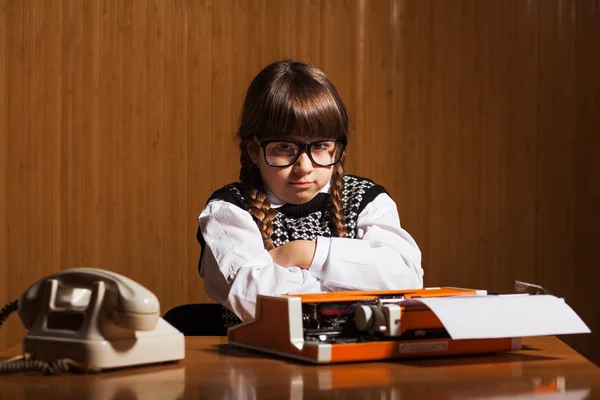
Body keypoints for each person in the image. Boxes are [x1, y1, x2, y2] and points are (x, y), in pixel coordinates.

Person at [197, 59, 423, 325]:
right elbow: (257, 300)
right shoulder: (227, 211)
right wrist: (360, 288)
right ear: (254, 150)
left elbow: (406, 278)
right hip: (257, 364)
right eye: (283, 147)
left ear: (337, 148)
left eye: (320, 146)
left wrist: (305, 253)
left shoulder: (367, 200)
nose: (304, 167)